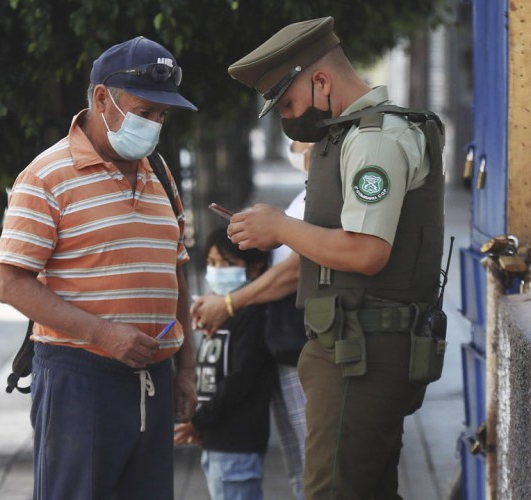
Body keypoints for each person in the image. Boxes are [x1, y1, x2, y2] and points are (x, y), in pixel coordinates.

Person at [225, 17, 446, 499]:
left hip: (362, 353)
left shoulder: (375, 140)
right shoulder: (349, 136)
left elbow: (368, 252)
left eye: (289, 103)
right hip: (351, 345)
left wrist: (281, 227)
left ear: (320, 80)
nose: (288, 118)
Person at [0, 36, 198, 499]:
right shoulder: (46, 177)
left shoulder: (159, 174)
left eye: (162, 116)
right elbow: (11, 284)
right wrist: (104, 335)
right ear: (103, 99)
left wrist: (186, 367)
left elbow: (176, 270)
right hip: (80, 381)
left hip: (154, 378)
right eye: (145, 112)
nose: (154, 125)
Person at [191, 141, 312, 500]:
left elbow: (296, 270)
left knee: (315, 469)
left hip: (302, 348)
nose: (293, 143)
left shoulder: (322, 196)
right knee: (303, 470)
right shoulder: (308, 195)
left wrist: (229, 303)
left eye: (297, 127)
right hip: (289, 348)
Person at [175, 227, 275, 500]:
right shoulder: (219, 316)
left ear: (254, 269)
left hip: (237, 442)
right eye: (211, 263)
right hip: (217, 440)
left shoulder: (251, 316)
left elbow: (239, 379)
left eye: (227, 263)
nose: (217, 270)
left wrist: (199, 421)